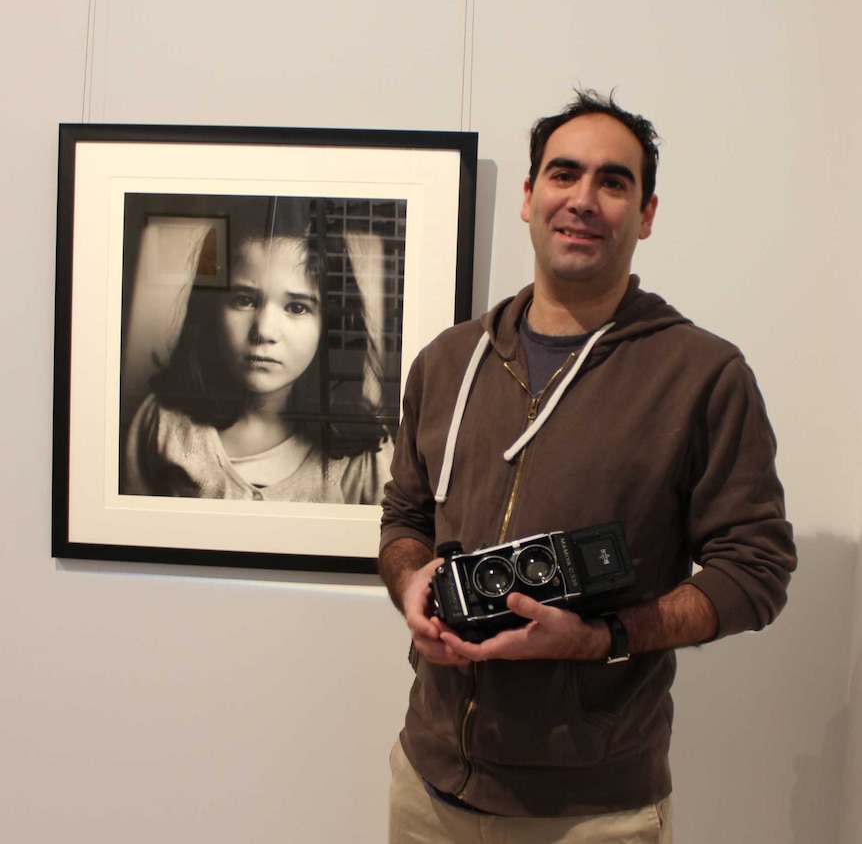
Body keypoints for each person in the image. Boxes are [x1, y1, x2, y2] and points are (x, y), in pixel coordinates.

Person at [378, 90, 796, 842]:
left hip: (590, 811)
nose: (584, 199)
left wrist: (603, 637)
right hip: (428, 787)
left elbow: (756, 571)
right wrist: (409, 579)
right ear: (530, 196)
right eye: (564, 174)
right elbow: (405, 517)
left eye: (614, 181)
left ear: (646, 214)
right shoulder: (447, 362)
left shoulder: (702, 374)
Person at [123, 196, 393, 504]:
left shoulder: (365, 450)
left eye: (296, 307)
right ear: (210, 309)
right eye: (244, 300)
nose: (263, 330)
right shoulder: (164, 424)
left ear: (329, 325)